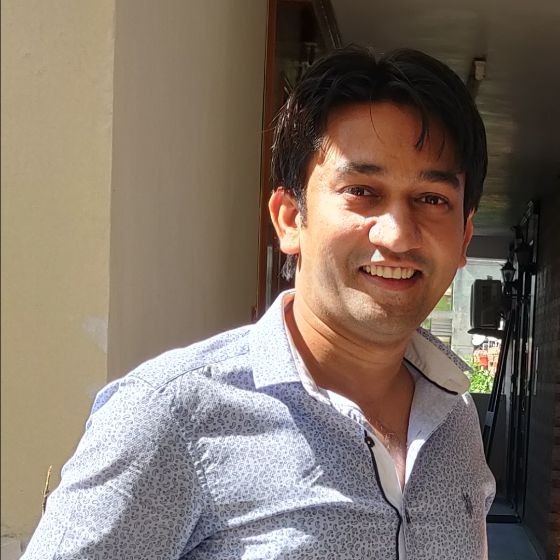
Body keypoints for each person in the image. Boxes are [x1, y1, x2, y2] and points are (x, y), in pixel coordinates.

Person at [23, 46, 495, 559]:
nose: (398, 234)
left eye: (432, 199)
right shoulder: (172, 417)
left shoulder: (453, 417)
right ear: (290, 219)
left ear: (464, 237)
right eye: (362, 191)